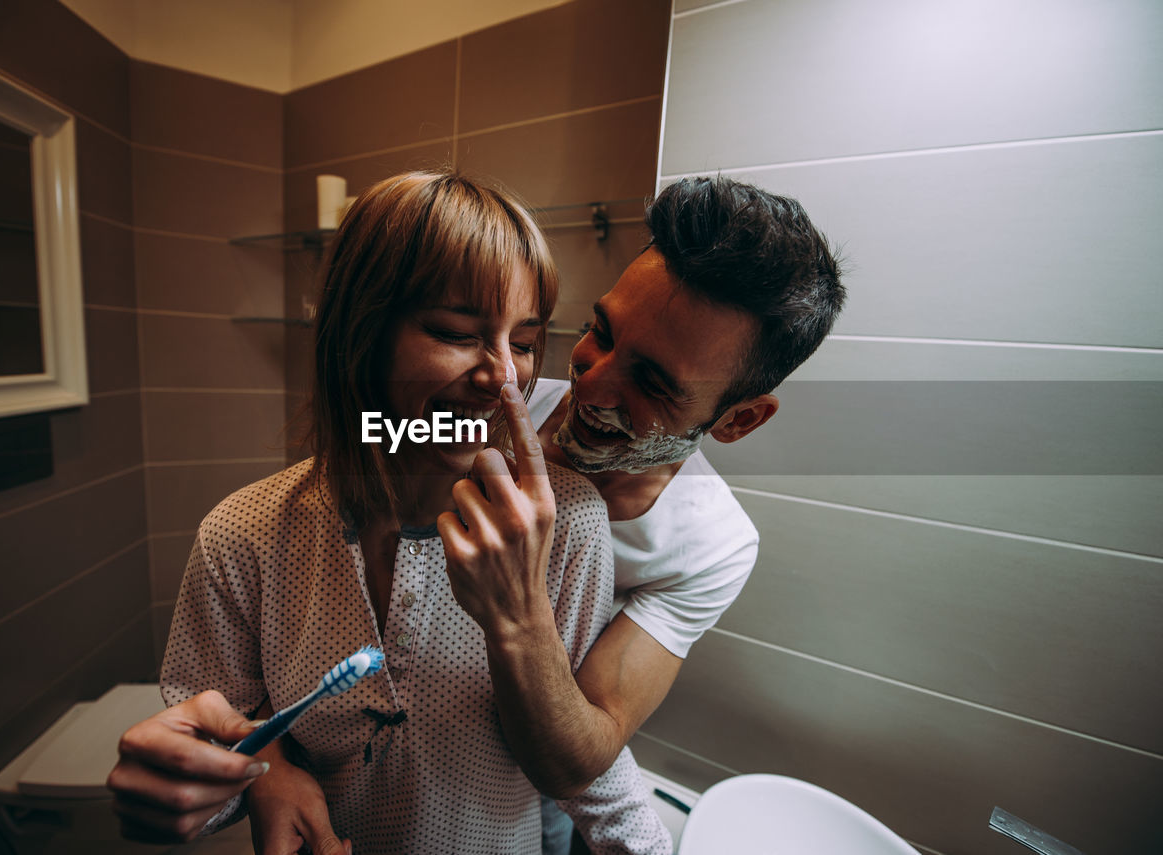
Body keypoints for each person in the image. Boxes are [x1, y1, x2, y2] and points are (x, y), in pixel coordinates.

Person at [106, 171, 672, 855]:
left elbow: (586, 764)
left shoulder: (568, 523)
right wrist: (247, 775)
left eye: (523, 342)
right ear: (359, 335)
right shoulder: (243, 533)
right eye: (457, 332)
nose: (503, 375)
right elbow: (220, 738)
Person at [439, 176, 845, 851]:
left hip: (522, 804)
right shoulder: (496, 396)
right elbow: (360, 452)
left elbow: (580, 750)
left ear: (738, 419)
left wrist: (516, 613)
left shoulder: (710, 546)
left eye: (652, 381)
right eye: (601, 330)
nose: (590, 383)